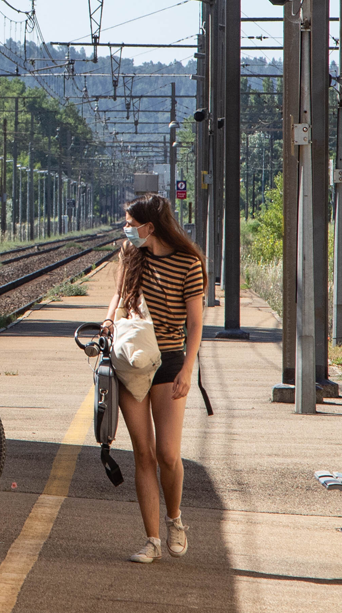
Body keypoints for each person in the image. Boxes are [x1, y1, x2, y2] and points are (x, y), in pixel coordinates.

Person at [102, 193, 204, 564]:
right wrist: (110, 320)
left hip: (170, 361)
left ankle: (174, 519)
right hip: (132, 361)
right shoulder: (131, 257)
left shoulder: (189, 264)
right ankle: (152, 540)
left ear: (150, 226)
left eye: (130, 223)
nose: (126, 230)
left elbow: (195, 324)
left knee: (167, 454)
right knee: (143, 453)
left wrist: (188, 369)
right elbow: (117, 295)